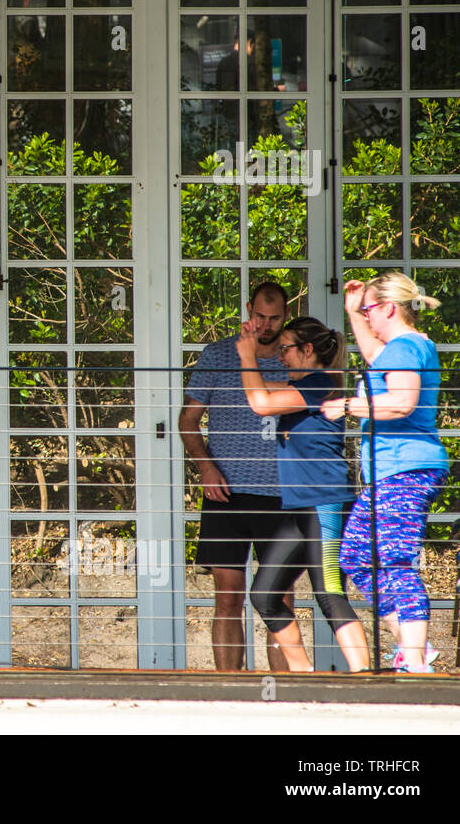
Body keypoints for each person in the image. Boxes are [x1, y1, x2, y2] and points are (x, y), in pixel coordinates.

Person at [322, 273, 448, 673]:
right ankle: (414, 646)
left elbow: (402, 402)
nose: (367, 317)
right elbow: (377, 358)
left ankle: (415, 662)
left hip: (406, 468)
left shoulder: (407, 347)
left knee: (394, 561)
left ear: (389, 308)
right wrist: (353, 313)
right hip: (390, 471)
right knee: (356, 558)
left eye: (370, 310)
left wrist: (347, 407)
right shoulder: (402, 348)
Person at [236, 317, 369, 672]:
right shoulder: (308, 384)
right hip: (299, 507)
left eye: (286, 349)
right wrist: (249, 354)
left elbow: (260, 403)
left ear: (307, 350)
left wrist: (249, 355)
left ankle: (365, 677)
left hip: (325, 501)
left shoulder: (320, 383)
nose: (281, 356)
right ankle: (303, 673)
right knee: (264, 594)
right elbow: (258, 390)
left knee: (328, 591)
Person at [178, 281, 296, 671]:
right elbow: (188, 419)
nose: (265, 324)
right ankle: (231, 693)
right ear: (248, 310)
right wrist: (205, 467)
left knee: (279, 599)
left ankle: (288, 698)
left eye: (274, 317)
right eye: (259, 316)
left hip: (282, 496)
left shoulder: (295, 357)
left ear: (286, 315)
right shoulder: (217, 354)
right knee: (227, 596)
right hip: (224, 493)